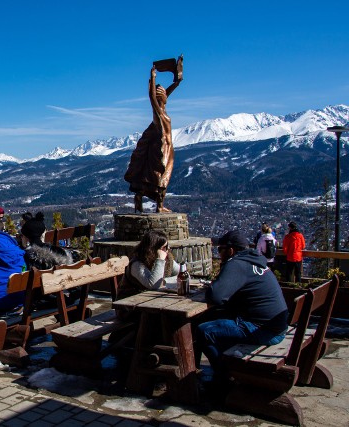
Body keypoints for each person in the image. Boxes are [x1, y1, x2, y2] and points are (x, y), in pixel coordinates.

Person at [197, 230, 288, 385]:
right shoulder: (255, 261)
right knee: (212, 320)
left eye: (220, 250)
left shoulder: (236, 263)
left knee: (203, 331)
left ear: (231, 250)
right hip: (276, 326)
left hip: (263, 330)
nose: (219, 254)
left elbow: (216, 296)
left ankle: (224, 377)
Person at [124, 55, 183, 213]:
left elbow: (162, 97)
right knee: (160, 179)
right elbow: (152, 99)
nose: (165, 95)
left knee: (158, 178)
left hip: (166, 149)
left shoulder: (163, 111)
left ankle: (147, 201)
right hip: (161, 150)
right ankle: (159, 206)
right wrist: (153, 78)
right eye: (163, 94)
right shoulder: (159, 116)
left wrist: (177, 81)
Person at [118, 230, 180, 297]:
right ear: (152, 249)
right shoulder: (137, 264)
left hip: (150, 299)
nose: (168, 249)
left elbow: (182, 274)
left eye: (167, 246)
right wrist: (160, 260)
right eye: (164, 247)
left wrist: (166, 281)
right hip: (128, 302)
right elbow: (154, 285)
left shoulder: (168, 260)